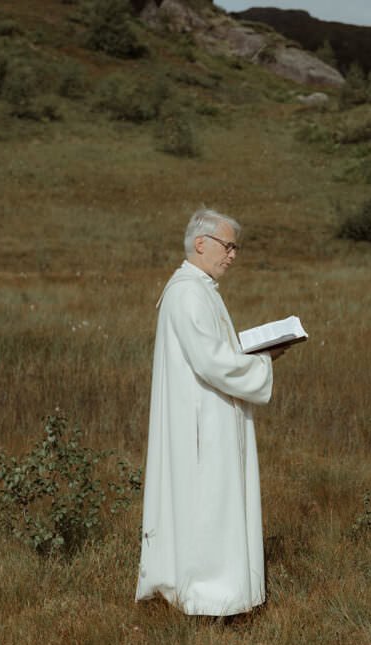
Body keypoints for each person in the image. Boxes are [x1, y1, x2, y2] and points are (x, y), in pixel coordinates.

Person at [136, 208, 285, 617]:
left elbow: (213, 354)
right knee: (208, 504)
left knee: (208, 502)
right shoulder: (187, 291)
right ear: (201, 243)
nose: (233, 255)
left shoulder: (198, 289)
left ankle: (212, 595)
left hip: (207, 413)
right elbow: (211, 361)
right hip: (202, 421)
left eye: (236, 247)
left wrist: (256, 353)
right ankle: (210, 598)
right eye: (228, 245)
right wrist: (263, 361)